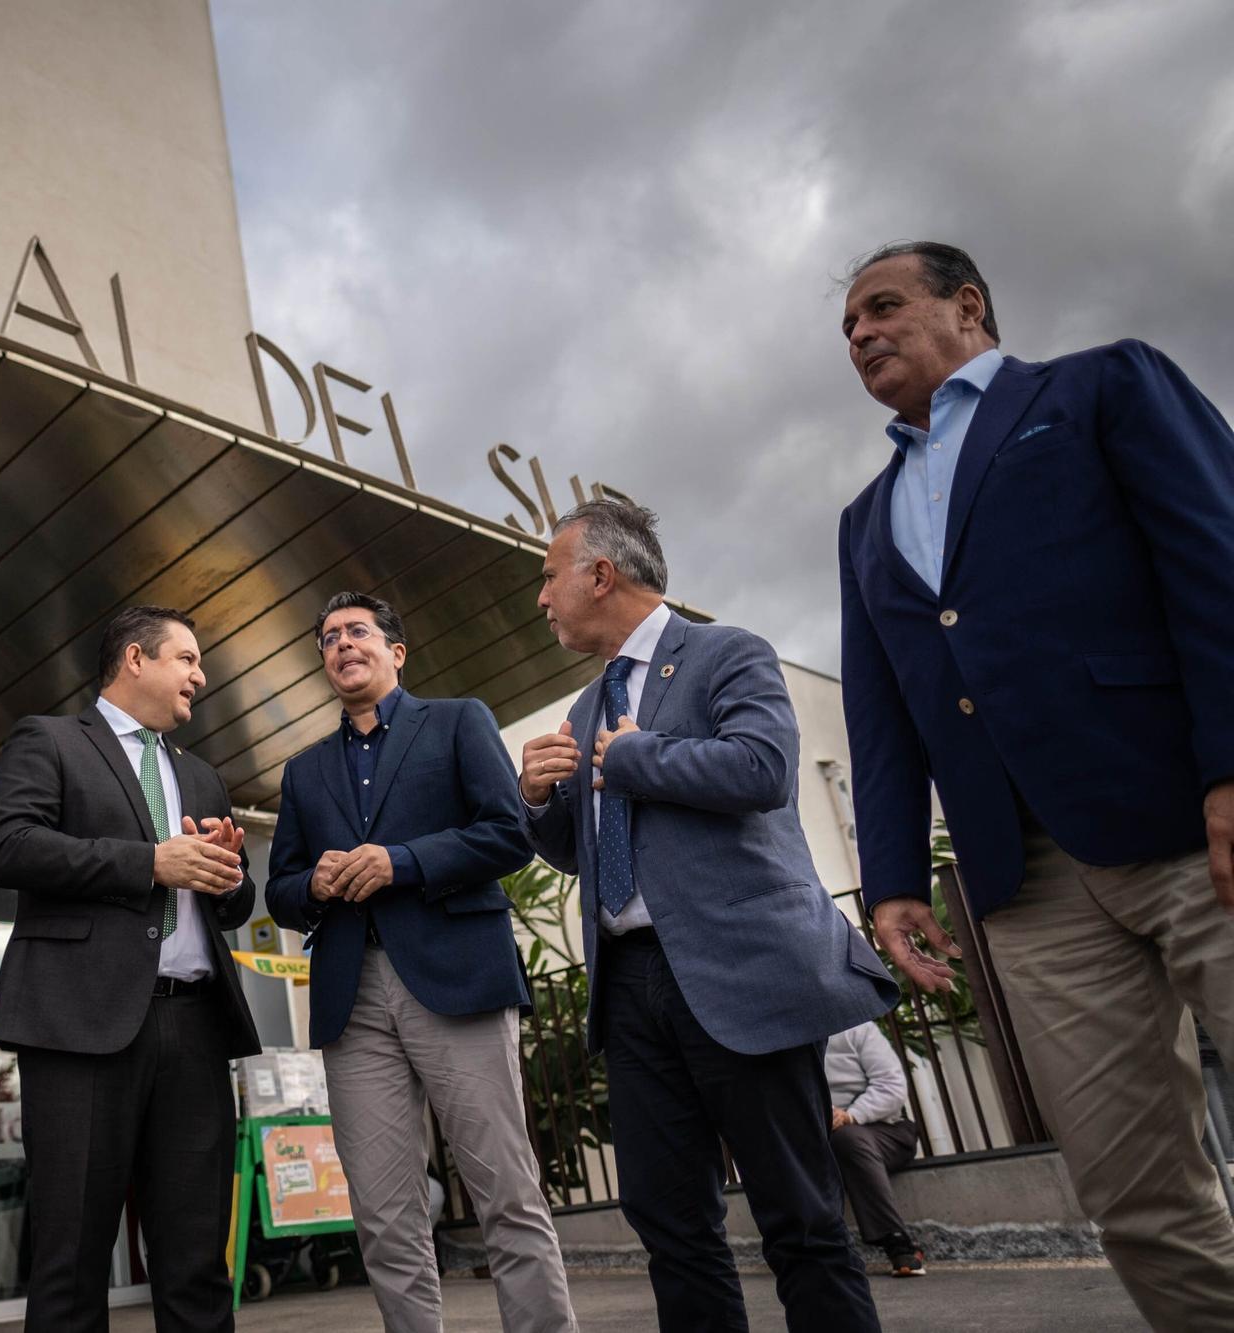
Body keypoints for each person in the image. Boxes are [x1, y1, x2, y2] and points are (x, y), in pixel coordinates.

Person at [835, 240, 1234, 1330]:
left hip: (1185, 822)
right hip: (1025, 881)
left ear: (967, 305)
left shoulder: (1101, 386)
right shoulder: (860, 523)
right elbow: (876, 720)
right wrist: (889, 880)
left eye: (881, 307)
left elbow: (1215, 561)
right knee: (1131, 1191)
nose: (860, 334)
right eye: (847, 329)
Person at [520, 501, 896, 1332]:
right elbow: (590, 849)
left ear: (601, 573)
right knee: (669, 1223)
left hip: (738, 976)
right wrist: (539, 799)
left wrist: (632, 755)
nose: (541, 599)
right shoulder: (585, 708)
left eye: (550, 577)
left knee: (798, 1215)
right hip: (630, 986)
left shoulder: (728, 652)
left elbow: (763, 769)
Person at [265, 591, 576, 1333]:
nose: (342, 643)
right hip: (351, 996)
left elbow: (508, 833)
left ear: (395, 652)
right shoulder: (304, 771)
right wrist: (312, 881)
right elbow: (279, 888)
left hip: (457, 979)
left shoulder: (460, 719)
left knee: (506, 1189)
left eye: (358, 632)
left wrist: (401, 861)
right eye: (329, 637)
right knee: (382, 1209)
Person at [0, 605, 261, 1332]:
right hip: (81, 1027)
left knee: (198, 1258)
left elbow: (233, 901)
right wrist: (150, 863)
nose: (201, 676)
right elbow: (10, 846)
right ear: (135, 659)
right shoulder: (48, 739)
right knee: (72, 1257)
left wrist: (228, 877)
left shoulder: (201, 776)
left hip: (195, 1027)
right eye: (188, 659)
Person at [823, 1022, 924, 1277]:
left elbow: (892, 1086)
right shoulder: (784, 1037)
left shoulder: (857, 1028)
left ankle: (897, 1242)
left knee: (846, 1139)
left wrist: (850, 1115)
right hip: (821, 1138)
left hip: (886, 1129)